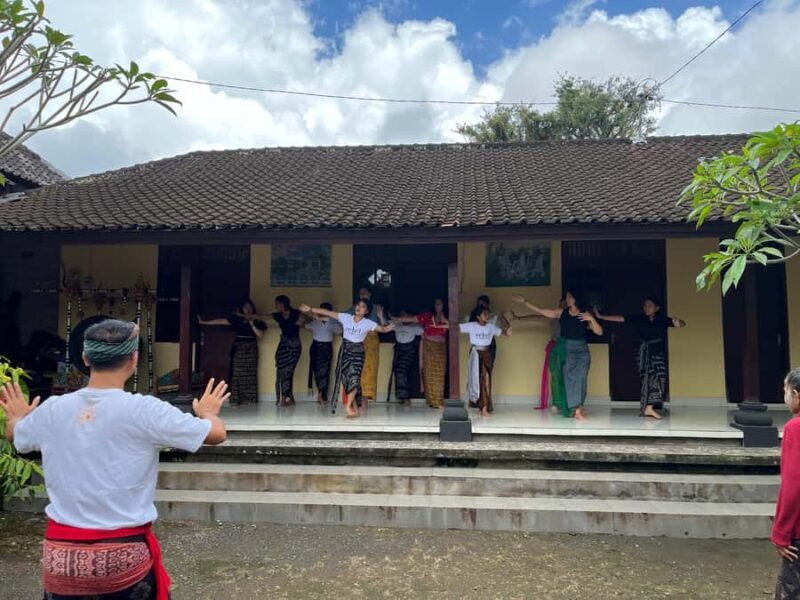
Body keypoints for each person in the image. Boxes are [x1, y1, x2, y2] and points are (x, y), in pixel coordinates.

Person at [0, 318, 229, 600]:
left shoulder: (53, 409)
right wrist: (208, 413)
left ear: (85, 358)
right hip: (122, 557)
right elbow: (216, 434)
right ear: (134, 359)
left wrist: (17, 417)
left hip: (61, 559)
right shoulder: (145, 410)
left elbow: (16, 435)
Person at [513, 291, 602, 420]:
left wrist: (592, 319)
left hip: (582, 350)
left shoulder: (584, 314)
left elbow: (599, 332)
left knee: (581, 378)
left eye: (569, 297)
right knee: (570, 379)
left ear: (576, 298)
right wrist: (525, 301)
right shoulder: (562, 313)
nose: (567, 299)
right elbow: (541, 311)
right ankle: (576, 409)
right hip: (568, 349)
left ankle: (578, 407)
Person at [594, 296, 686, 420]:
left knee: (660, 379)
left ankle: (650, 406)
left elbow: (681, 324)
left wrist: (677, 321)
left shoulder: (662, 319)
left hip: (657, 354)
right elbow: (620, 318)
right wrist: (601, 317)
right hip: (644, 354)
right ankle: (648, 408)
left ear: (657, 308)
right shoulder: (639, 318)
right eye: (645, 306)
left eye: (650, 305)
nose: (646, 308)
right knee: (647, 380)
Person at [300, 300, 394, 419]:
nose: (359, 307)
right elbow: (328, 313)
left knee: (354, 379)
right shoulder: (346, 317)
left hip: (358, 353)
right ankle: (354, 407)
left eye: (362, 306)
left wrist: (383, 320)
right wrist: (310, 309)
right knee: (347, 380)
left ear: (366, 311)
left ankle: (348, 408)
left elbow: (383, 329)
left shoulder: (367, 323)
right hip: (345, 351)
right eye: (358, 305)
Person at [198, 299, 266, 405]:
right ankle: (237, 398)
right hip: (239, 348)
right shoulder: (237, 319)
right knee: (237, 373)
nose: (248, 309)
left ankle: (250, 399)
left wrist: (252, 323)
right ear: (242, 309)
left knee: (250, 374)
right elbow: (221, 321)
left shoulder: (257, 321)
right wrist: (204, 322)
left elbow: (260, 336)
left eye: (250, 307)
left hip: (251, 349)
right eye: (245, 307)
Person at [773, 368, 800, 599]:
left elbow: (793, 483)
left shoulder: (795, 427)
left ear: (797, 394)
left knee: (789, 589)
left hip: (798, 531)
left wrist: (781, 531)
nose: (784, 396)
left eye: (785, 390)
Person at [459, 306, 511, 417]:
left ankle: (484, 407)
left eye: (487, 314)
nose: (487, 316)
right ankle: (482, 407)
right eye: (484, 314)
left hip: (487, 355)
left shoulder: (491, 327)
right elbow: (455, 327)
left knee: (486, 380)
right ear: (478, 317)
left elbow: (505, 333)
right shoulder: (472, 326)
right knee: (477, 381)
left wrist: (507, 326)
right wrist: (441, 325)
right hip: (475, 354)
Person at [345, 286, 386, 407]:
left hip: (372, 343)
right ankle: (354, 399)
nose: (362, 295)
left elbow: (384, 326)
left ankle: (365, 399)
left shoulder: (376, 308)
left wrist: (381, 316)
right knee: (356, 370)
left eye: (364, 293)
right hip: (357, 342)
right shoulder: (354, 308)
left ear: (370, 294)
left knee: (370, 371)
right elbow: (341, 318)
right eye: (360, 293)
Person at [272, 295, 307, 407]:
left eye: (277, 304)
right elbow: (264, 316)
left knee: (288, 371)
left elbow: (307, 319)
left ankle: (284, 398)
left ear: (283, 304)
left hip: (294, 346)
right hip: (283, 345)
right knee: (281, 371)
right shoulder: (278, 315)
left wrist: (301, 321)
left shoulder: (295, 313)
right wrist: (248, 316)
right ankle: (288, 398)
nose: (276, 306)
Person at [304, 302, 341, 404]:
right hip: (315, 347)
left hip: (326, 348)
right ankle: (320, 396)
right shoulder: (315, 321)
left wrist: (328, 321)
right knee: (316, 371)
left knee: (324, 372)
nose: (322, 313)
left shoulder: (332, 322)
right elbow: (305, 325)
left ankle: (321, 395)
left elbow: (340, 331)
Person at [388, 310, 424, 406]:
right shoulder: (397, 325)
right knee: (398, 371)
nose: (403, 317)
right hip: (399, 351)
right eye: (401, 315)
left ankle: (406, 398)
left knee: (401, 370)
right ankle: (402, 397)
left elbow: (424, 332)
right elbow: (385, 324)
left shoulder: (415, 327)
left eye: (405, 315)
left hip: (409, 352)